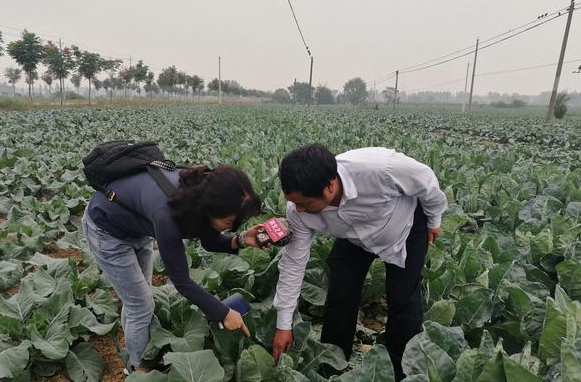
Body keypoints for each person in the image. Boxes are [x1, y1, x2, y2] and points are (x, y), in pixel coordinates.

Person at [271, 144, 447, 380]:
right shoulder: (297, 209)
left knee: (402, 300)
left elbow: (425, 180)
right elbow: (293, 263)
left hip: (404, 227)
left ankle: (403, 372)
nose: (298, 209)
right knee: (340, 292)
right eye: (294, 203)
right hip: (354, 237)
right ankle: (332, 363)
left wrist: (434, 220)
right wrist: (284, 324)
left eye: (305, 204)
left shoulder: (380, 169)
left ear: (330, 186)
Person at [82, 165, 262, 373]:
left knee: (139, 300)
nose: (230, 228)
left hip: (137, 228)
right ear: (212, 207)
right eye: (229, 222)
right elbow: (182, 281)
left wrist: (240, 240)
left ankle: (137, 355)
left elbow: (209, 241)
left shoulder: (200, 197)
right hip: (106, 231)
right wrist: (222, 313)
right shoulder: (166, 214)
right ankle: (139, 369)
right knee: (140, 305)